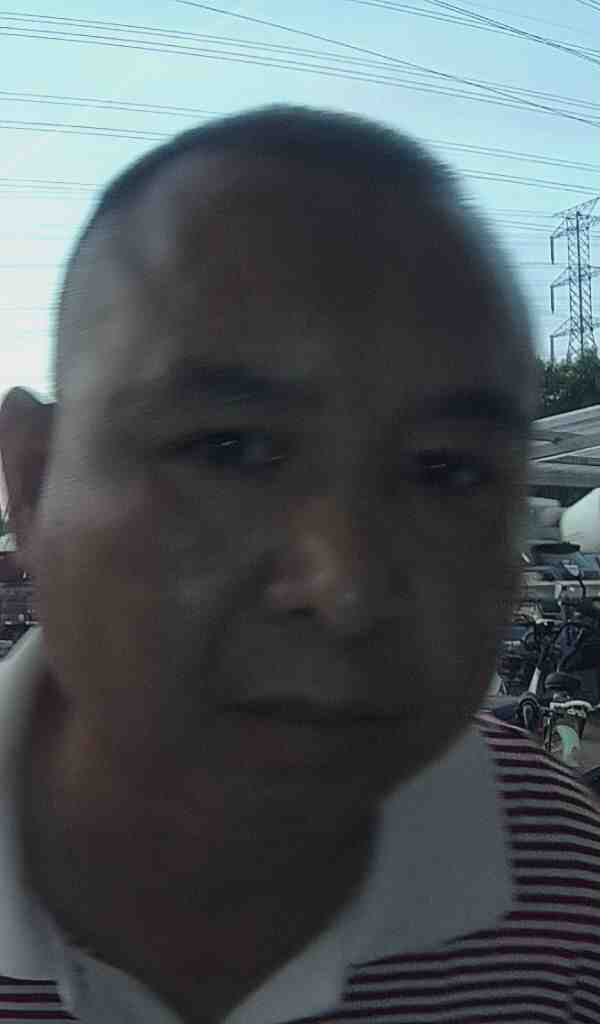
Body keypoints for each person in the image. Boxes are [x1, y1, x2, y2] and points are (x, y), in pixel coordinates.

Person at [0, 105, 598, 1024]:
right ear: (34, 483)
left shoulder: (564, 882)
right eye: (229, 450)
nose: (347, 586)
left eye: (448, 470)